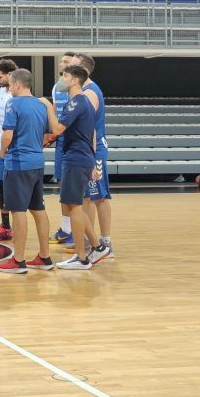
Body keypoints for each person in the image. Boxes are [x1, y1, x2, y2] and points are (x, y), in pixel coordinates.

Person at [0, 69, 61, 273]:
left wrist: (3, 152)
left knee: (18, 211)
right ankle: (44, 257)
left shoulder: (13, 103)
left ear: (17, 85)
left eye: (10, 85)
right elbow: (52, 132)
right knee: (38, 210)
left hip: (18, 163)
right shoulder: (41, 105)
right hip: (37, 162)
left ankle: (19, 260)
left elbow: (7, 135)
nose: (9, 88)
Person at [54, 64, 109, 271]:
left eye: (65, 75)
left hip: (76, 159)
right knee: (73, 205)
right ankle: (97, 246)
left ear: (74, 80)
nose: (62, 78)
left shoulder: (76, 102)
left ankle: (82, 257)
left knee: (73, 206)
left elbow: (58, 128)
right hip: (82, 158)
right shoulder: (84, 101)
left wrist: (47, 108)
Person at [76, 53, 114, 259]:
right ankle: (95, 242)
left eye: (72, 66)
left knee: (96, 197)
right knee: (90, 198)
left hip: (94, 150)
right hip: (91, 149)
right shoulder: (85, 90)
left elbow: (89, 128)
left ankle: (103, 243)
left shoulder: (90, 92)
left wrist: (90, 157)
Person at [52, 51, 79, 246]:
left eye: (66, 62)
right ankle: (66, 229)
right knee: (62, 185)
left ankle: (82, 234)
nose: (62, 64)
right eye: (61, 61)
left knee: (77, 190)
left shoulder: (81, 90)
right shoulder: (56, 88)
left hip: (75, 140)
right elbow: (54, 112)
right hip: (61, 139)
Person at [0, 58, 18, 242]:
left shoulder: (18, 93)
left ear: (10, 74)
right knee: (1, 187)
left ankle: (18, 225)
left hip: (11, 147)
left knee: (13, 189)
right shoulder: (2, 91)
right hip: (0, 144)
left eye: (0, 77)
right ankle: (5, 226)